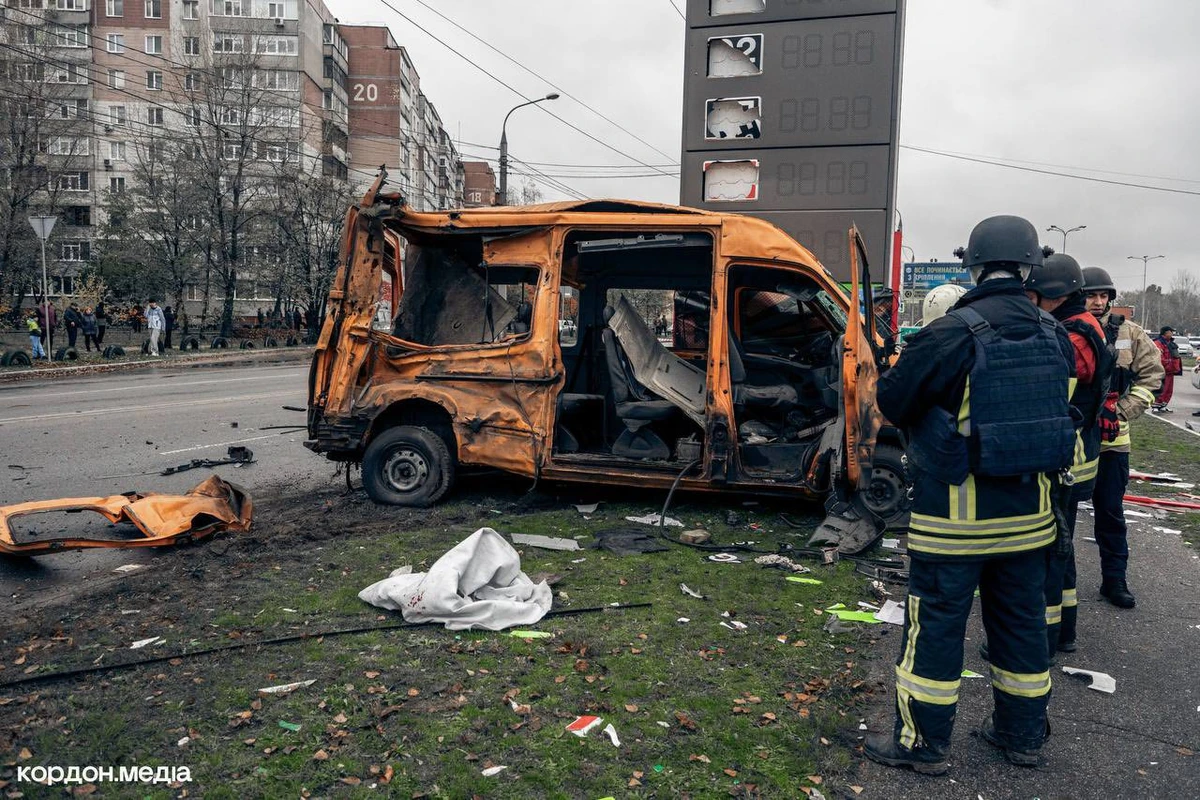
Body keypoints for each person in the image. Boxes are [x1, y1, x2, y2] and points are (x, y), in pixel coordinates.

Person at [865, 216, 1075, 774]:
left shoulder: (952, 332)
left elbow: (892, 400)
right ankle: (1022, 737)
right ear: (1031, 266)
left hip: (954, 523)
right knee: (1022, 628)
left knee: (935, 631)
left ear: (973, 267)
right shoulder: (1055, 334)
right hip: (1031, 522)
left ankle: (922, 747)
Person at [1024, 254, 1112, 655]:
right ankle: (1065, 631)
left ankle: (1044, 636)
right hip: (1078, 454)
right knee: (1062, 545)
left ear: (1054, 295)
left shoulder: (1074, 337)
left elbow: (1052, 388)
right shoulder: (1083, 326)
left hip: (1067, 457)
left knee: (1049, 549)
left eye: (1036, 295)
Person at [1083, 267, 1164, 607]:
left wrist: (1122, 410)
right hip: (1073, 443)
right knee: (1057, 517)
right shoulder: (1066, 329)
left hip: (1114, 443)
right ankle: (1053, 585)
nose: (1098, 301)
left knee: (1111, 514)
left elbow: (1152, 375)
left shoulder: (1129, 333)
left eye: (1104, 295)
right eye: (1092, 295)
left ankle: (1114, 581)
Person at [1151, 326, 1182, 411]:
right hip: (1162, 371)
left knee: (1168, 390)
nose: (1172, 333)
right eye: (1170, 332)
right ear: (1165, 333)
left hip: (1170, 371)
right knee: (1161, 389)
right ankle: (1156, 406)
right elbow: (1159, 357)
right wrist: (1168, 365)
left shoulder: (1170, 343)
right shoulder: (1158, 343)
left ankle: (1163, 405)